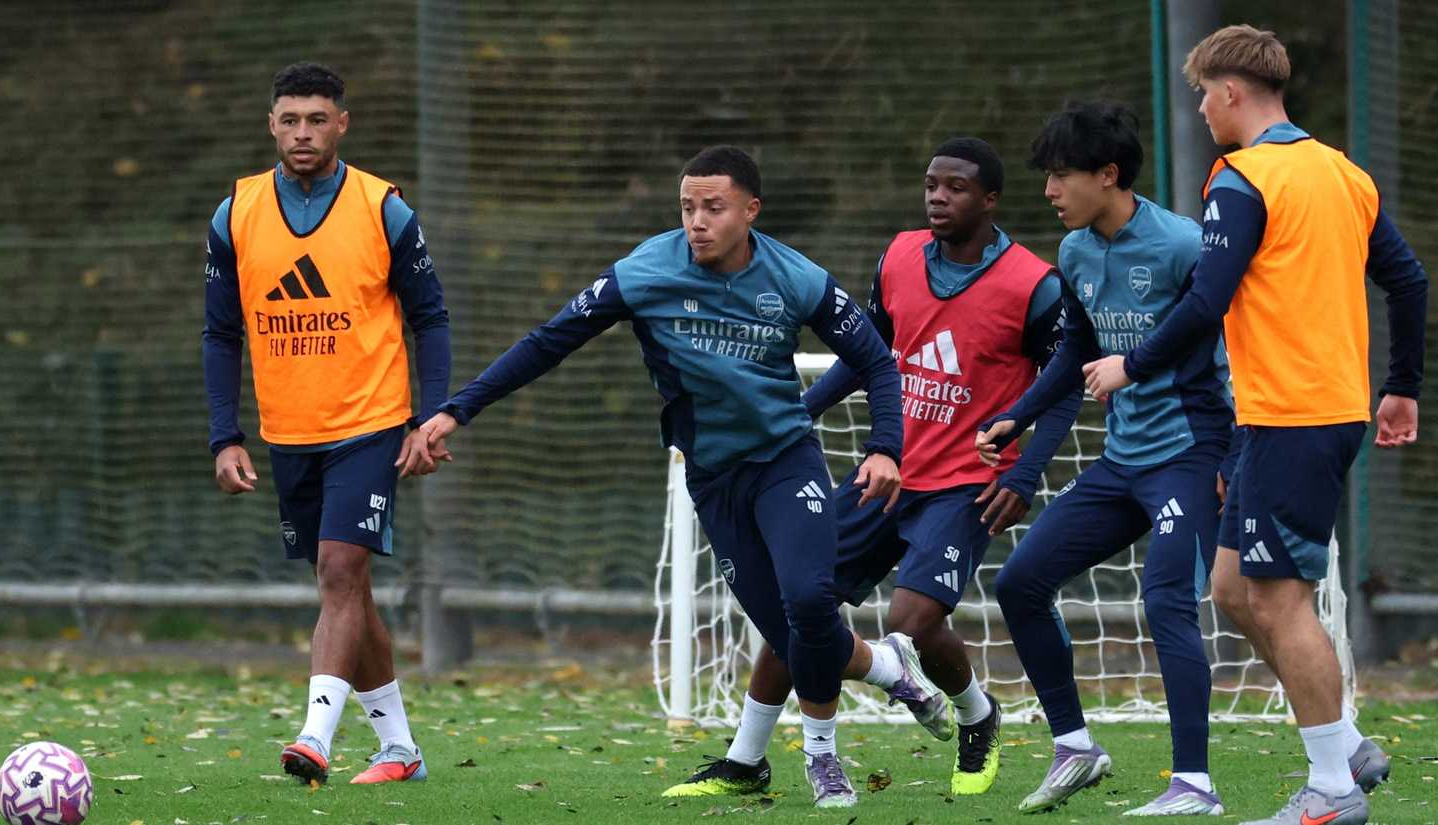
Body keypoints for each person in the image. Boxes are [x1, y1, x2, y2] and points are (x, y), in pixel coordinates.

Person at [421, 145, 914, 809]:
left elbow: (877, 362)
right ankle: (886, 666)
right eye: (687, 207)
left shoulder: (796, 277)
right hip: (712, 476)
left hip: (787, 461)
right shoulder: (645, 270)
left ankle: (824, 760)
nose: (697, 221)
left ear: (751, 210)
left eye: (713, 207)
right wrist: (458, 408)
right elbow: (548, 341)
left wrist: (886, 447)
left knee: (808, 600)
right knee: (796, 633)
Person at [1081, 26, 1425, 825]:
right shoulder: (1344, 173)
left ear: (1233, 92)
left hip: (1290, 417)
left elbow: (1204, 299)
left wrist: (1130, 365)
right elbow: (1407, 281)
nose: (1200, 108)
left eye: (1204, 93)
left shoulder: (1242, 178)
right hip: (1312, 412)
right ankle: (1346, 746)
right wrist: (1400, 386)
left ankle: (1332, 790)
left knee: (1276, 600)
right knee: (1233, 589)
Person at [662, 137, 1076, 801]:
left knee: (912, 617)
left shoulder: (1034, 283)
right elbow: (867, 351)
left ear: (991, 199)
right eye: (931, 185)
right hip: (886, 471)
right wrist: (804, 410)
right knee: (803, 606)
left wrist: (1024, 474)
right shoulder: (901, 256)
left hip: (966, 483)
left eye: (957, 187)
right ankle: (746, 758)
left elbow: (1064, 385)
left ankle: (974, 711)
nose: (938, 197)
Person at [976, 101, 1235, 816]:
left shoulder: (1183, 245)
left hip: (1190, 454)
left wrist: (1235, 451)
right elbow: (1076, 351)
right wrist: (1016, 415)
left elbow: (1233, 342)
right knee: (1021, 581)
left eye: (1061, 176)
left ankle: (1196, 785)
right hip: (1123, 462)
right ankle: (1076, 746)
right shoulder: (1076, 252)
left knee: (1170, 601)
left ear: (1108, 175)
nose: (1050, 191)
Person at [201, 61, 452, 787]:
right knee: (349, 590)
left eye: (317, 119)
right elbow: (221, 334)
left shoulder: (383, 208)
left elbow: (430, 317)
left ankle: (313, 737)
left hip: (372, 421)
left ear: (342, 123)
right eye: (290, 119)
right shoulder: (236, 212)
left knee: (339, 570)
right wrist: (226, 433)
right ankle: (400, 748)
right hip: (288, 430)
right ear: (271, 124)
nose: (303, 132)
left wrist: (430, 415)